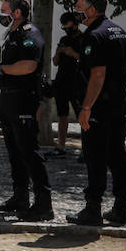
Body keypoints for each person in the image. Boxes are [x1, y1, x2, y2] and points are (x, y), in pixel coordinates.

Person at [0, 0, 53, 221]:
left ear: (17, 12)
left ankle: (44, 205)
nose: (1, 14)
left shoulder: (30, 34)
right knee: (15, 152)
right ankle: (20, 197)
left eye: (4, 9)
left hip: (23, 99)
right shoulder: (12, 33)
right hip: (9, 99)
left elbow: (28, 66)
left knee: (29, 150)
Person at [67, 0, 126, 226]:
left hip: (99, 107)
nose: (77, 12)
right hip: (118, 104)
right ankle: (122, 207)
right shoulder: (120, 32)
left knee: (95, 156)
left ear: (92, 9)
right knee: (118, 156)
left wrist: (86, 108)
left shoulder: (94, 35)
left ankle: (93, 209)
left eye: (80, 7)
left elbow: (97, 75)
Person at [50, 11, 87, 155]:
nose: (67, 30)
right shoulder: (64, 39)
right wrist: (58, 53)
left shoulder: (84, 39)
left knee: (82, 116)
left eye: (69, 27)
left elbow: (87, 62)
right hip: (61, 83)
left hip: (78, 84)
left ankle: (86, 149)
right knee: (62, 115)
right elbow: (55, 62)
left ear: (76, 25)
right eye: (64, 28)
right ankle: (61, 146)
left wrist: (74, 54)